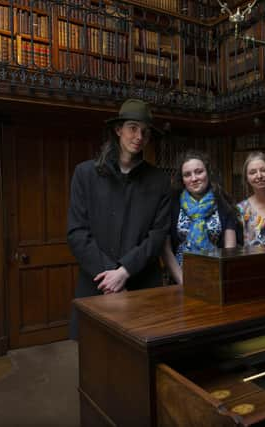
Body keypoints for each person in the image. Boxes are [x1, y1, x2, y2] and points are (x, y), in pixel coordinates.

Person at [67, 99, 170, 338]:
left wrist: (124, 272)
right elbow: (77, 233)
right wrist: (111, 276)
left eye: (145, 132)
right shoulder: (85, 174)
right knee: (96, 360)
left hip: (143, 284)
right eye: (133, 128)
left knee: (141, 362)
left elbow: (157, 235)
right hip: (97, 283)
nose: (139, 136)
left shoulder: (159, 180)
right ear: (118, 130)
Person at [161, 150, 237, 285]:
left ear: (208, 173)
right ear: (182, 179)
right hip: (179, 277)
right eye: (187, 174)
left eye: (199, 172)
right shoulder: (172, 203)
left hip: (217, 276)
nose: (194, 178)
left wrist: (220, 278)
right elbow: (165, 249)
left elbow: (230, 250)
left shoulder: (223, 203)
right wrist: (182, 281)